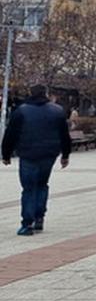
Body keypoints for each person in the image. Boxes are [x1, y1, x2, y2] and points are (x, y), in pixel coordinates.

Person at [1, 84, 71, 236]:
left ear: (30, 93)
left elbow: (10, 134)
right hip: (49, 153)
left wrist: (6, 154)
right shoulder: (57, 111)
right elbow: (65, 135)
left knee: (28, 188)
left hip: (28, 153)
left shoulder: (21, 111)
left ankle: (27, 223)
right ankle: (39, 217)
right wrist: (65, 155)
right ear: (45, 93)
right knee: (42, 184)